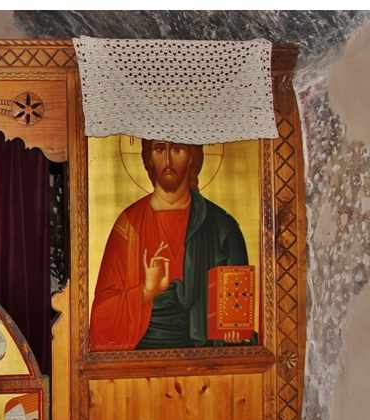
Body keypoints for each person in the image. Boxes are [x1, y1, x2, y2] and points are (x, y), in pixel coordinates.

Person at [90, 139, 250, 350]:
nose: (167, 160)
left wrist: (233, 328)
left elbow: (237, 310)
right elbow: (101, 318)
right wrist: (146, 291)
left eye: (177, 149)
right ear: (147, 158)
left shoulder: (221, 226)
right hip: (142, 353)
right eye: (158, 149)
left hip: (203, 356)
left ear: (192, 155)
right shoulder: (129, 225)